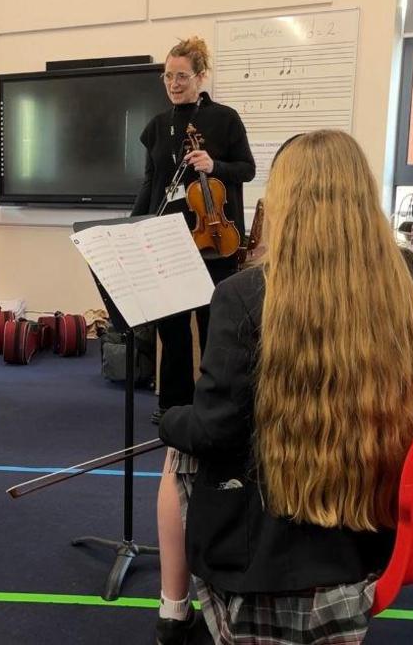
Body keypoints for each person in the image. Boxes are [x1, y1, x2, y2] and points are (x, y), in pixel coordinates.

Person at [159, 130, 413, 643]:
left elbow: (215, 430)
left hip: (268, 553)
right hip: (373, 525)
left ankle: (173, 612)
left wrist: (171, 420)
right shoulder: (409, 277)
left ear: (284, 204)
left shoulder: (245, 294)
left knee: (181, 451)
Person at [129, 36, 255, 642]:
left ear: (202, 75)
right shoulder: (157, 127)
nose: (173, 84)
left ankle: (210, 408)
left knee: (216, 328)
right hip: (170, 241)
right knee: (171, 332)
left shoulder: (224, 121)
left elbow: (247, 172)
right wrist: (133, 228)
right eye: (167, 76)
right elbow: (151, 186)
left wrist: (215, 167)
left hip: (216, 240)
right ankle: (172, 409)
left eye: (181, 76)